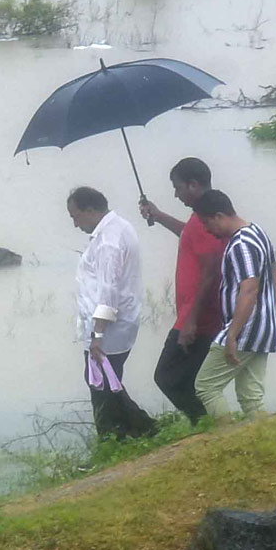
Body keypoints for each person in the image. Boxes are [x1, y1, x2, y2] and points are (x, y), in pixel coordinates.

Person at [138, 158, 225, 424]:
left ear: (193, 185)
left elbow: (211, 269)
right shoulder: (202, 217)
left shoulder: (205, 217)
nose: (176, 194)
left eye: (177, 188)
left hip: (197, 318)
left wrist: (191, 320)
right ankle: (209, 425)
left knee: (167, 377)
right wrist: (160, 215)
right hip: (197, 316)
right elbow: (189, 234)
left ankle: (208, 424)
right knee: (188, 379)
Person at [68, 186, 155, 440]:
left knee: (100, 385)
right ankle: (136, 431)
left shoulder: (108, 241)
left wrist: (97, 335)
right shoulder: (118, 227)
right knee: (107, 381)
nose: (75, 224)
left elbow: (108, 292)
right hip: (114, 325)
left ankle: (116, 438)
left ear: (90, 210)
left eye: (75, 216)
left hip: (109, 329)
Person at [192, 190, 276, 420]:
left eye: (206, 223)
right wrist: (267, 311)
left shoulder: (241, 244)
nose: (207, 230)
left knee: (206, 386)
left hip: (246, 329)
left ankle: (227, 437)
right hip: (263, 328)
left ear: (219, 216)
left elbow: (249, 288)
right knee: (250, 396)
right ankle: (264, 443)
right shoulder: (258, 231)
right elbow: (273, 271)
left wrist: (232, 334)